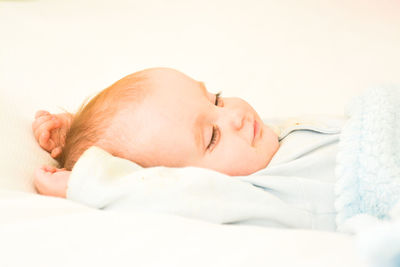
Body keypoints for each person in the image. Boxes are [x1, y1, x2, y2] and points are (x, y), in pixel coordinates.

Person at [32, 67, 346, 230]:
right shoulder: (256, 192)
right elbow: (166, 192)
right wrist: (88, 178)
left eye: (216, 99)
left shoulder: (263, 139)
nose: (234, 116)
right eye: (211, 136)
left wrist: (76, 129)